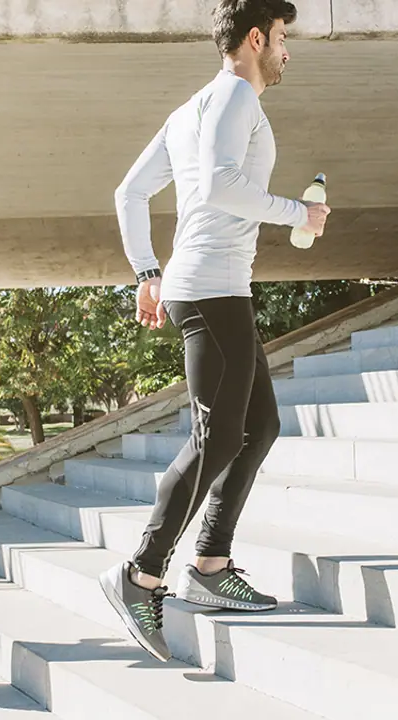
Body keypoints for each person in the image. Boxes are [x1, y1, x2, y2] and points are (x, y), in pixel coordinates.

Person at [99, 0, 329, 662]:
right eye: (281, 37)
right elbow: (222, 186)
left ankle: (209, 565)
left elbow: (129, 193)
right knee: (219, 435)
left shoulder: (193, 108)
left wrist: (148, 272)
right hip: (210, 289)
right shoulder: (234, 96)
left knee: (259, 427)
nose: (286, 51)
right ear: (255, 38)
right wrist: (298, 214)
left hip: (214, 286)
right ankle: (140, 573)